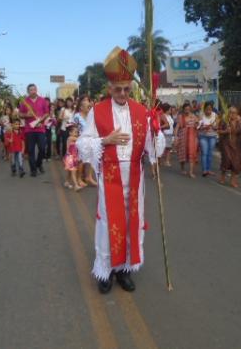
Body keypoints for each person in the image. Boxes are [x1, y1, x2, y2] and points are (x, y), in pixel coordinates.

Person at [77, 46, 164, 294]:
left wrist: (156, 129)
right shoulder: (98, 111)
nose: (123, 93)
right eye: (118, 89)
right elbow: (83, 144)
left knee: (131, 224)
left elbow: (152, 146)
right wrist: (105, 141)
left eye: (127, 89)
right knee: (108, 224)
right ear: (109, 88)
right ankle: (105, 270)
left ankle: (124, 269)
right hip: (111, 177)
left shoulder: (140, 111)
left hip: (135, 178)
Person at [19, 84, 50, 177]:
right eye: (31, 90)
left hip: (40, 128)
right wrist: (26, 115)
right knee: (31, 150)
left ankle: (39, 164)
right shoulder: (25, 102)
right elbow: (20, 114)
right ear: (28, 91)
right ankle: (33, 170)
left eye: (34, 89)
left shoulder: (42, 100)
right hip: (29, 129)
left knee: (42, 148)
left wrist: (41, 119)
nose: (33, 91)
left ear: (37, 90)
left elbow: (47, 113)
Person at [73, 95, 97, 186]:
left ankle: (88, 177)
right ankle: (79, 179)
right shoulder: (77, 116)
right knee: (81, 161)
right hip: (80, 141)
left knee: (90, 159)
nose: (89, 108)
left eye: (90, 107)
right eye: (87, 107)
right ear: (81, 107)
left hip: (90, 140)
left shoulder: (91, 116)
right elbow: (74, 129)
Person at [218, 106, 241, 187]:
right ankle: (222, 176)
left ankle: (233, 181)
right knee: (227, 160)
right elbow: (218, 131)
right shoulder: (224, 122)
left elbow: (238, 131)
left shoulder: (239, 123)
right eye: (230, 113)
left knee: (235, 163)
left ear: (237, 114)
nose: (232, 115)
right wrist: (225, 131)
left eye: (234, 113)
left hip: (236, 146)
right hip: (226, 145)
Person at [176, 102, 199, 178]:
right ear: (183, 109)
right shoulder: (180, 117)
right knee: (182, 154)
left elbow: (198, 125)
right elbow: (177, 127)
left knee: (192, 153)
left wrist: (197, 125)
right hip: (183, 137)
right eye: (186, 109)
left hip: (192, 137)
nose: (187, 110)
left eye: (188, 109)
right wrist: (175, 137)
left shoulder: (194, 116)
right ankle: (182, 168)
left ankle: (191, 172)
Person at [197, 101, 218, 177]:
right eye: (207, 109)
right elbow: (198, 127)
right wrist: (203, 127)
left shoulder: (215, 115)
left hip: (212, 136)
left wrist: (214, 127)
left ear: (212, 109)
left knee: (210, 153)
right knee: (204, 153)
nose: (208, 111)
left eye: (210, 109)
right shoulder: (201, 115)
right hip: (203, 136)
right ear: (204, 109)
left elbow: (217, 127)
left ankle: (209, 169)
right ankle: (204, 170)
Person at [63, 124, 82, 190]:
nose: (76, 133)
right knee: (73, 172)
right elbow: (79, 139)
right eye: (75, 132)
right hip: (69, 158)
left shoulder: (75, 139)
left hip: (73, 157)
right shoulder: (70, 138)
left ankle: (67, 182)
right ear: (70, 133)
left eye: (77, 132)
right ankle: (76, 185)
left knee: (69, 172)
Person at [159, 103, 174, 167]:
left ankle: (167, 161)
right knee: (163, 148)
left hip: (170, 133)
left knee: (169, 148)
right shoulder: (163, 116)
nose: (171, 110)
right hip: (165, 133)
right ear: (167, 109)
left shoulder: (170, 116)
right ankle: (160, 160)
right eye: (170, 109)